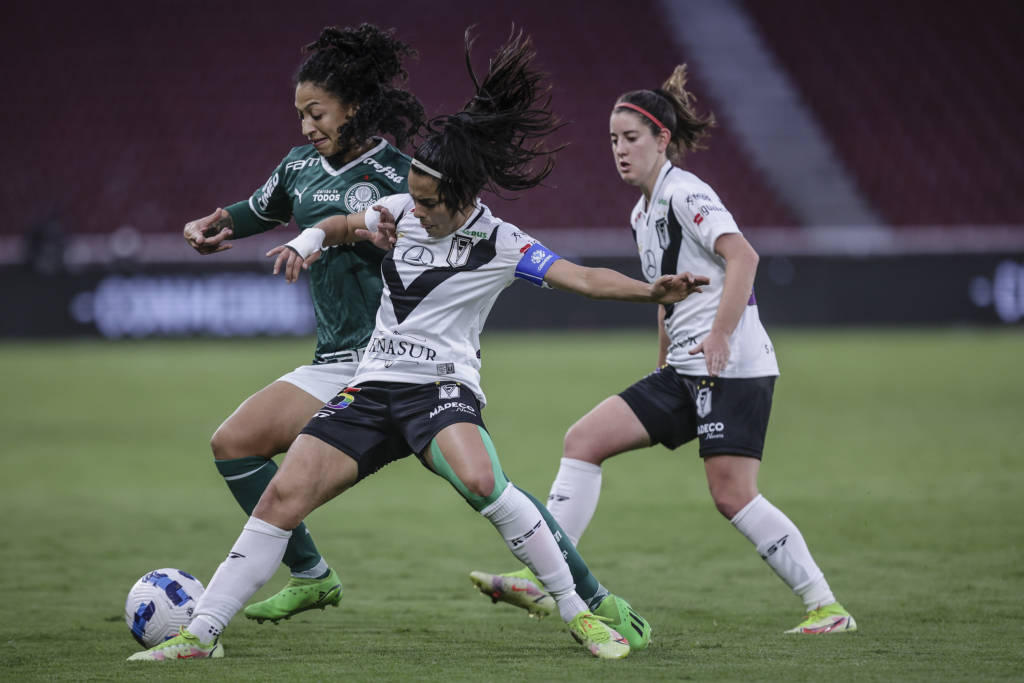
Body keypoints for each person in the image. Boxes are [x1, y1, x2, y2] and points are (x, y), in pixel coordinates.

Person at [128, 30, 708, 663]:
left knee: (484, 483)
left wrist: (650, 292)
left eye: (430, 203)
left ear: (463, 197)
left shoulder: (501, 242)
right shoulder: (401, 208)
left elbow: (585, 279)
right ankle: (200, 635)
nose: (416, 211)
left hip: (441, 389)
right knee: (282, 497)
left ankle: (581, 614)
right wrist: (307, 241)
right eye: (413, 198)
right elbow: (339, 223)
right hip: (371, 385)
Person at [469, 65, 857, 635]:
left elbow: (744, 257)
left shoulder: (685, 193)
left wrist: (720, 334)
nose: (620, 150)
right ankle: (550, 577)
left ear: (662, 140)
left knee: (732, 495)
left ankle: (827, 607)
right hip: (683, 369)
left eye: (631, 138)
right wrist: (663, 358)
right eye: (613, 140)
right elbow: (665, 294)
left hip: (731, 367)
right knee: (584, 441)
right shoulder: (641, 212)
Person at [179, 24, 425, 624]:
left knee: (485, 488)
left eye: (317, 113)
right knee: (234, 443)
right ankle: (312, 574)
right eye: (301, 116)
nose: (308, 126)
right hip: (336, 360)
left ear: (354, 107)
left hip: (401, 360)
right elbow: (258, 209)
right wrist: (216, 224)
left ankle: (581, 590)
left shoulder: (401, 174)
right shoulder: (298, 167)